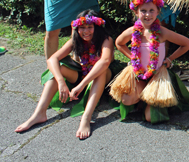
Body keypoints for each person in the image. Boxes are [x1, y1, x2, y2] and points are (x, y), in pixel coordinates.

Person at [15, 10, 114, 139]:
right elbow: (52, 59)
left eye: (90, 27)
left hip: (102, 78)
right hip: (82, 74)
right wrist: (61, 82)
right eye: (82, 28)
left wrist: (81, 85)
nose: (86, 31)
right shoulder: (75, 40)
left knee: (102, 71)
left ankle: (86, 118)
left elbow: (105, 62)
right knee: (59, 67)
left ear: (97, 27)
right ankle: (39, 113)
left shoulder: (106, 40)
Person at [115, 0, 189, 122]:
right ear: (136, 12)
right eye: (143, 11)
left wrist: (169, 59)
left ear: (158, 12)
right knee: (127, 99)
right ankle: (142, 97)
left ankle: (150, 99)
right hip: (138, 73)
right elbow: (119, 43)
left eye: (152, 10)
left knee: (151, 117)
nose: (148, 15)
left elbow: (187, 44)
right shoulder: (132, 31)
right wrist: (132, 58)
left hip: (157, 74)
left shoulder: (162, 32)